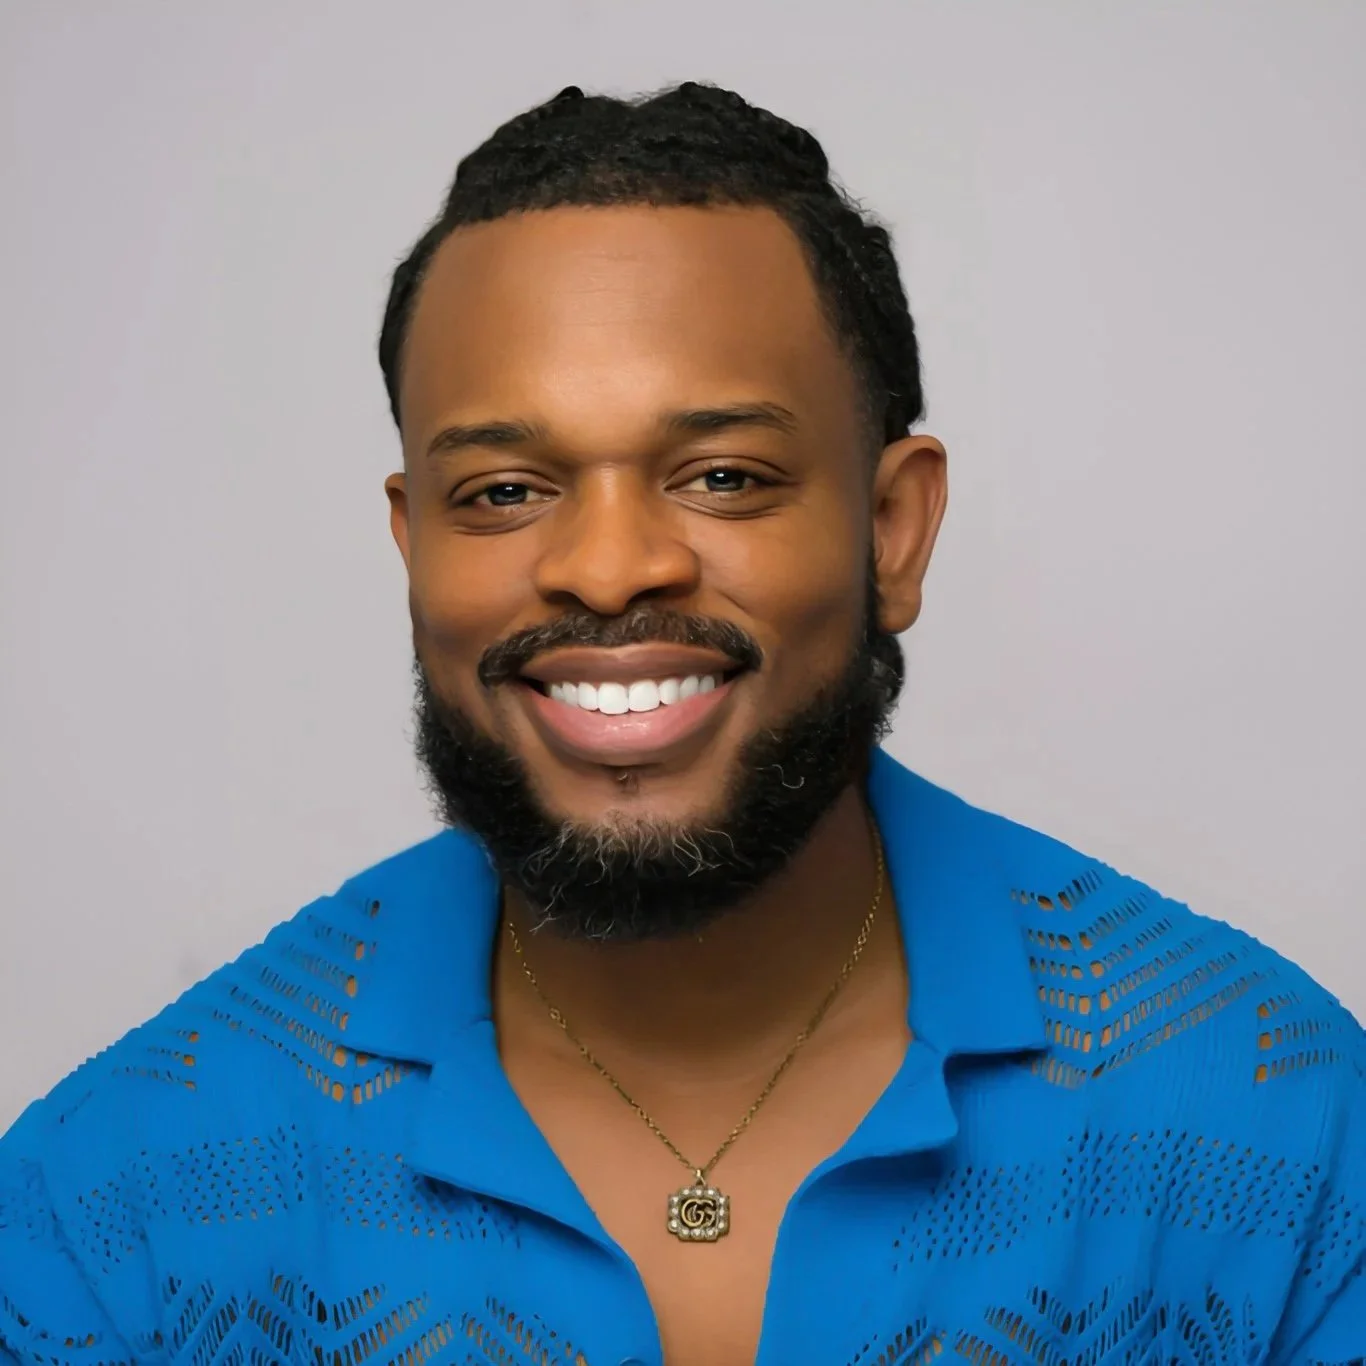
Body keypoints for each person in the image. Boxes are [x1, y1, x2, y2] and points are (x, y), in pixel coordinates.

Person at [1, 81, 1361, 1366]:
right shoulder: (111, 1200)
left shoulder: (1286, 1133)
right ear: (412, 547)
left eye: (721, 474)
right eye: (501, 490)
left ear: (891, 528)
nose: (606, 567)